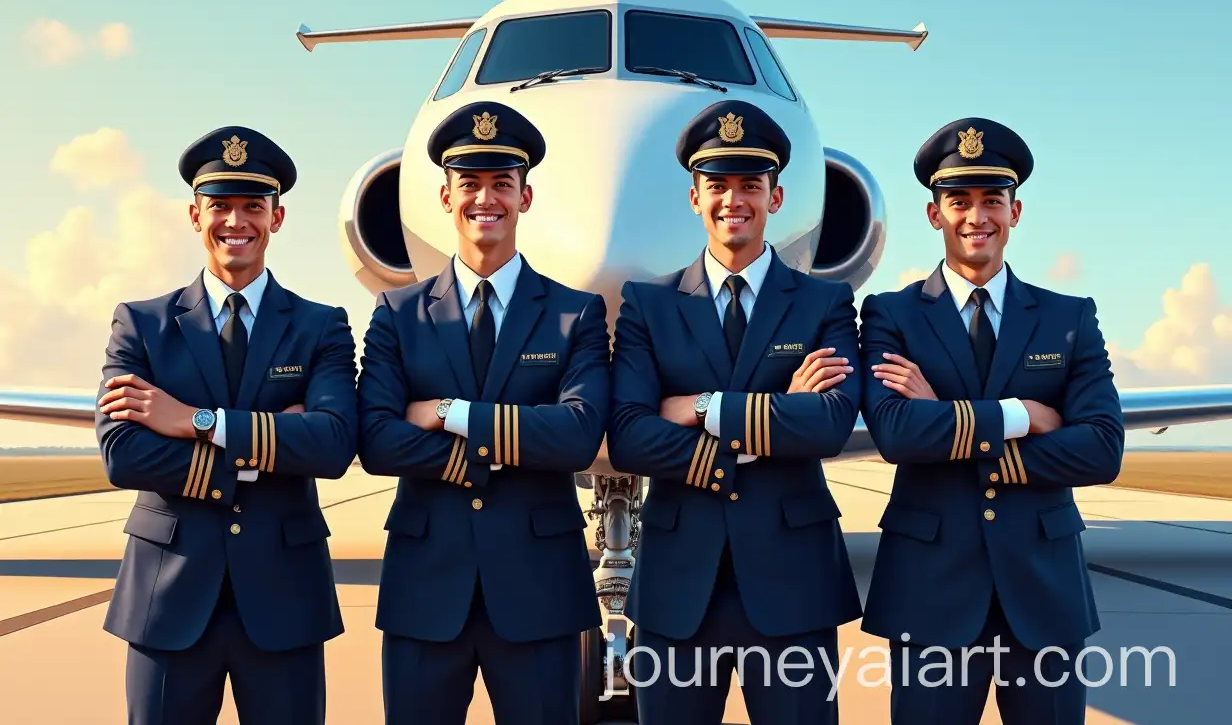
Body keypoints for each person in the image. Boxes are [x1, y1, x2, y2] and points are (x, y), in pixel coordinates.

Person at [858, 117, 1124, 724]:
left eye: (992, 201)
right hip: (929, 593)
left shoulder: (1068, 317)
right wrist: (1022, 416)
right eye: (959, 201)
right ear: (934, 215)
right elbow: (898, 434)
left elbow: (1102, 449)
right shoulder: (891, 315)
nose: (977, 217)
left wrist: (944, 421)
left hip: (1044, 595)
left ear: (1016, 211)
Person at [605, 100, 862, 724]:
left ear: (775, 198)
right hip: (676, 585)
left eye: (751, 184)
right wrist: (778, 416)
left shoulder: (825, 302)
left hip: (795, 586)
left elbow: (828, 424)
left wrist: (700, 407)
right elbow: (632, 436)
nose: (733, 200)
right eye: (717, 185)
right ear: (694, 198)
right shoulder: (650, 304)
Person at [356, 101, 610, 724]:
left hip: (540, 595)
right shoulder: (398, 314)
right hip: (425, 593)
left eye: (503, 183)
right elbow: (378, 442)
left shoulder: (575, 314)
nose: (485, 199)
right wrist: (525, 435)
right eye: (469, 184)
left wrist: (450, 412)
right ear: (446, 197)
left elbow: (577, 437)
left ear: (526, 197)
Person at [94, 126, 359, 724]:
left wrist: (194, 421)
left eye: (252, 207)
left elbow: (333, 444)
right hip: (167, 597)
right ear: (194, 215)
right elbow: (123, 454)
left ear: (277, 217)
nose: (235, 221)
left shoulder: (322, 326)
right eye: (220, 205)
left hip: (285, 600)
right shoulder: (141, 324)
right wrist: (270, 440)